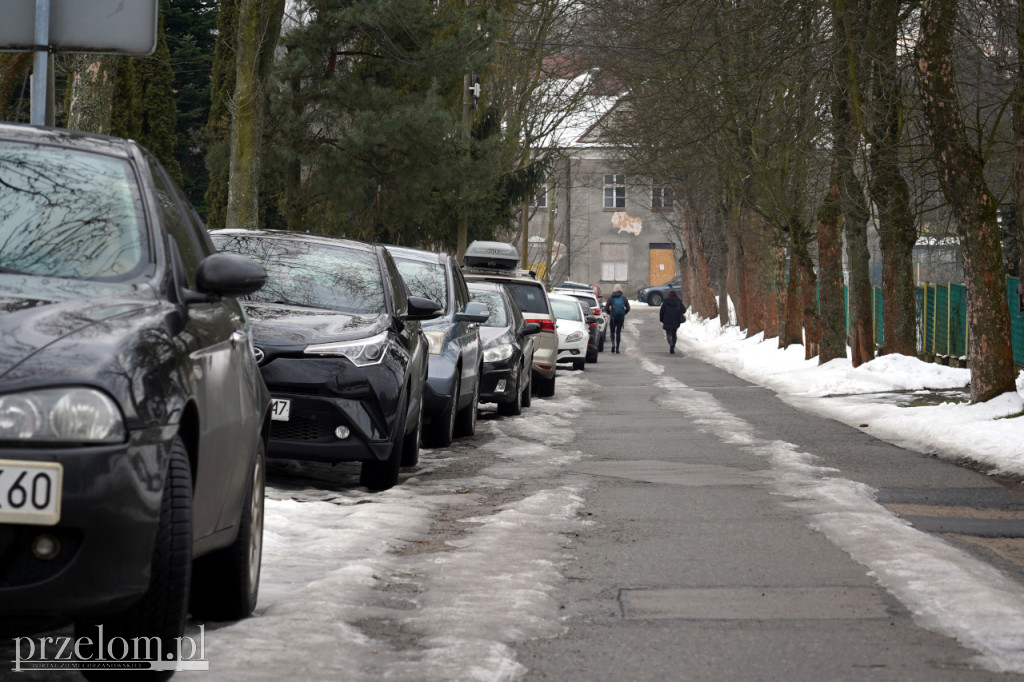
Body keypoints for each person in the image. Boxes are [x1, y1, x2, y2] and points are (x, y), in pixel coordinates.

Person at [604, 283, 631, 353]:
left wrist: (610, 313)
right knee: (618, 332)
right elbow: (628, 308)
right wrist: (623, 313)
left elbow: (606, 308)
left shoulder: (611, 298)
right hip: (621, 317)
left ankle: (613, 344)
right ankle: (617, 348)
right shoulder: (623, 298)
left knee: (612, 332)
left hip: (613, 317)